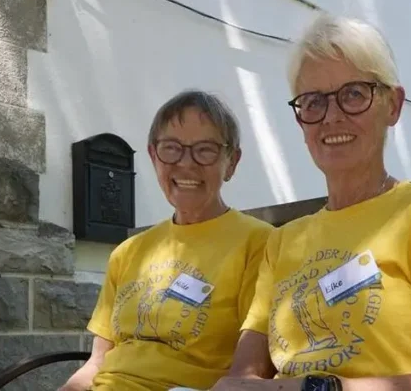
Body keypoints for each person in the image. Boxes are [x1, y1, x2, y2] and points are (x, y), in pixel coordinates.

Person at [210, 14, 411, 391]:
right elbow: (242, 379)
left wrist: (315, 389)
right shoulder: (282, 242)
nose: (332, 117)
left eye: (353, 94)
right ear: (301, 122)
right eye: (313, 102)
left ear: (393, 105)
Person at [60, 90, 274, 391]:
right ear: (153, 155)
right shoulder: (128, 252)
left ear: (232, 162)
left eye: (206, 150)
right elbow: (96, 363)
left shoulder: (260, 244)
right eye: (171, 148)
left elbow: (249, 374)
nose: (186, 163)